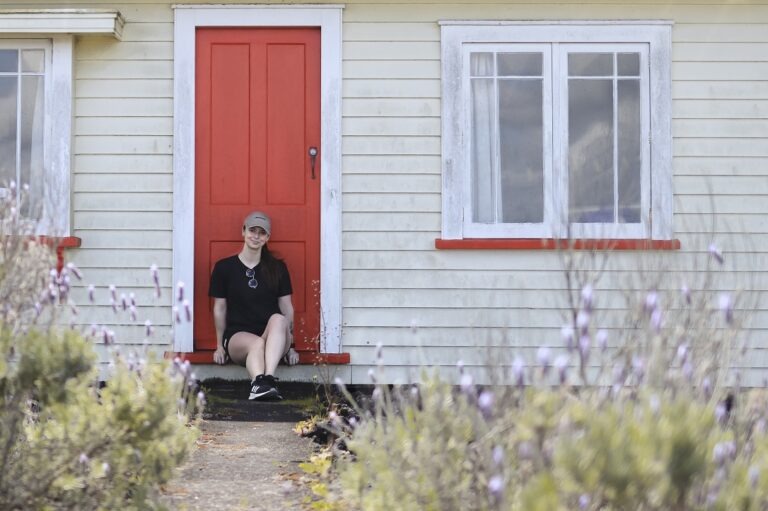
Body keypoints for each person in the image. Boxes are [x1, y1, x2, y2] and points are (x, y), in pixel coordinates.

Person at [209, 211, 299, 400]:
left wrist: (290, 346)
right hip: (238, 338)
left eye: (262, 232)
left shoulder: (277, 268)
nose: (256, 236)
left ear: (267, 237)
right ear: (243, 231)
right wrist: (219, 346)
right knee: (256, 343)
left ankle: (266, 380)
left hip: (272, 337)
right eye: (252, 230)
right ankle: (259, 384)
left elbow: (287, 307)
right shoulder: (224, 268)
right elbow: (220, 309)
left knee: (279, 318)